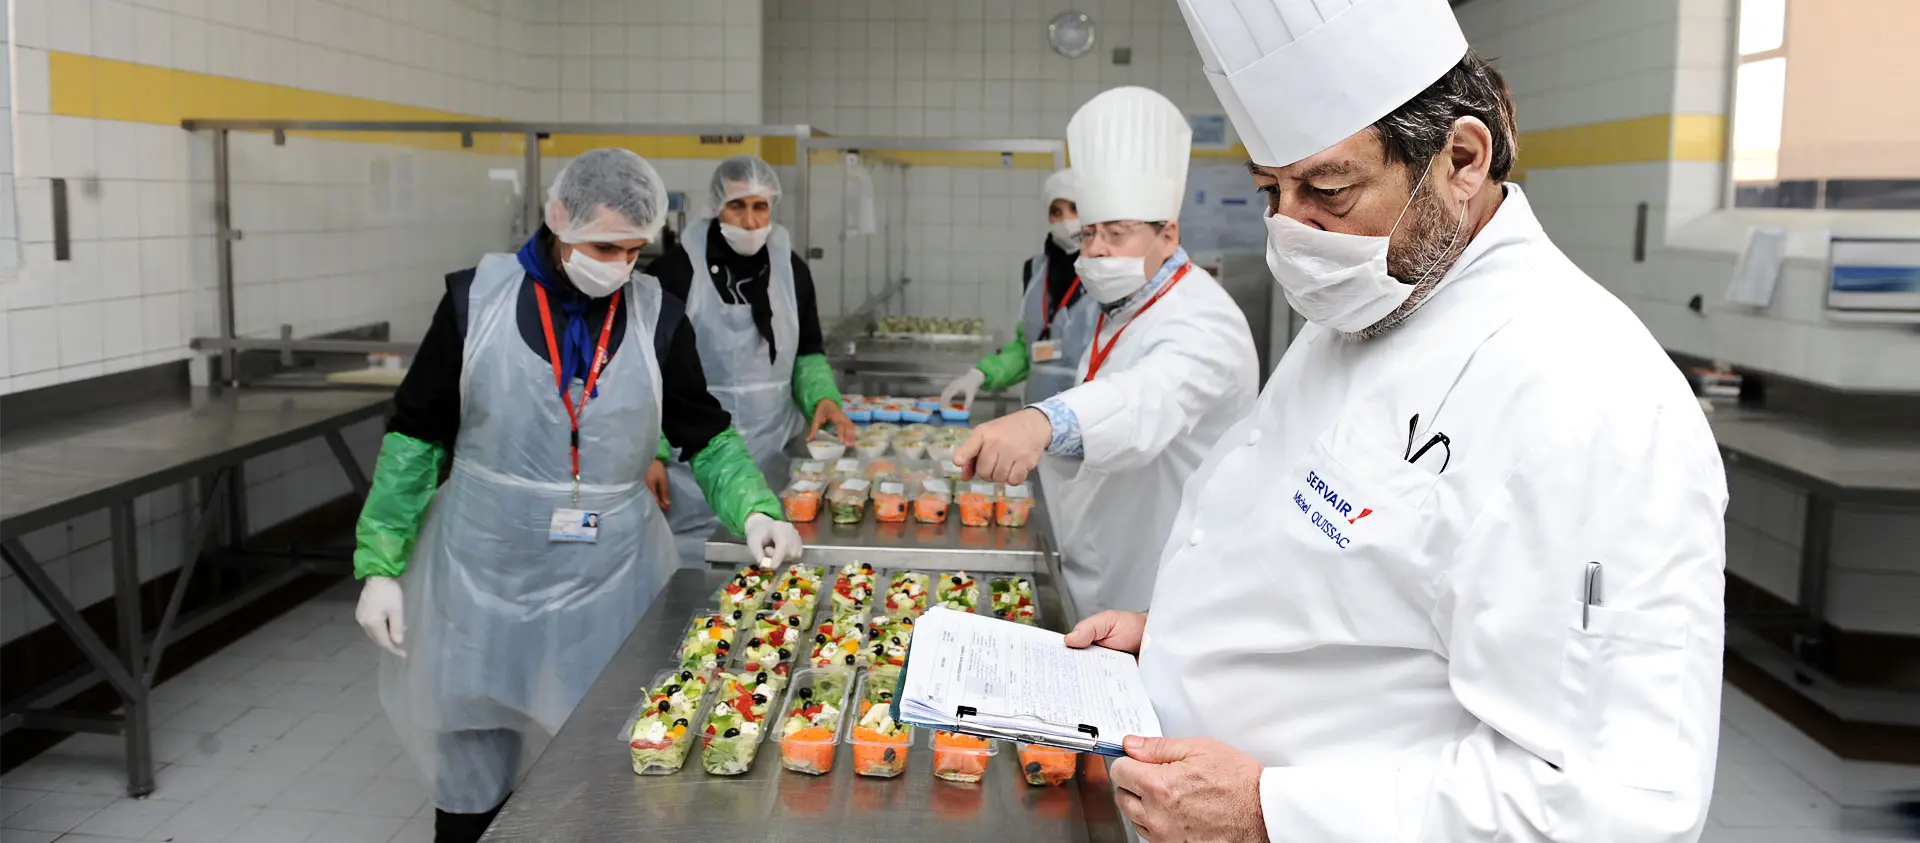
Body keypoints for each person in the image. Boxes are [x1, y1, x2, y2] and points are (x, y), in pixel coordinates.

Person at [1069, 2, 1729, 841]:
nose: (1290, 233)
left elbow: (1612, 805)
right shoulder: (1367, 301)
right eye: (1271, 192)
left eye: (1329, 190)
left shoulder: (1587, 399)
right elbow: (1345, 581)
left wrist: (1273, 812)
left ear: (1460, 157)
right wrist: (1178, 642)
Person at [350, 148, 803, 843]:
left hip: (608, 579)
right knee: (472, 769)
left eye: (632, 249)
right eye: (602, 246)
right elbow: (417, 437)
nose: (619, 265)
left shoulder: (656, 316)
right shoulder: (478, 302)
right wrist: (380, 563)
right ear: (558, 220)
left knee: (611, 766)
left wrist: (754, 508)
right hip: (481, 574)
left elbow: (703, 431)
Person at [954, 87, 1260, 616]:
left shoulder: (1204, 320)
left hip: (1153, 579)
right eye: (1091, 233)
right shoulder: (1119, 302)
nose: (1096, 250)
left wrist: (1040, 423)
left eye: (1117, 234)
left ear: (1168, 233)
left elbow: (1145, 401)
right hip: (1094, 552)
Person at [645, 154, 855, 564]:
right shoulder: (677, 270)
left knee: (771, 558)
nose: (750, 219)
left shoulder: (791, 269)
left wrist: (823, 399)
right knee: (693, 565)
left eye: (760, 207)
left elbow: (807, 352)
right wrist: (653, 451)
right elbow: (652, 371)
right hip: (693, 462)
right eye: (737, 206)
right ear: (715, 206)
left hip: (772, 450)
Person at [940, 169, 1098, 408]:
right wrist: (981, 374)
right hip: (1036, 421)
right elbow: (1027, 351)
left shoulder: (1108, 271)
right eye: (1056, 212)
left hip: (1091, 421)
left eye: (1074, 209)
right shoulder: (1035, 270)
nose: (1066, 221)